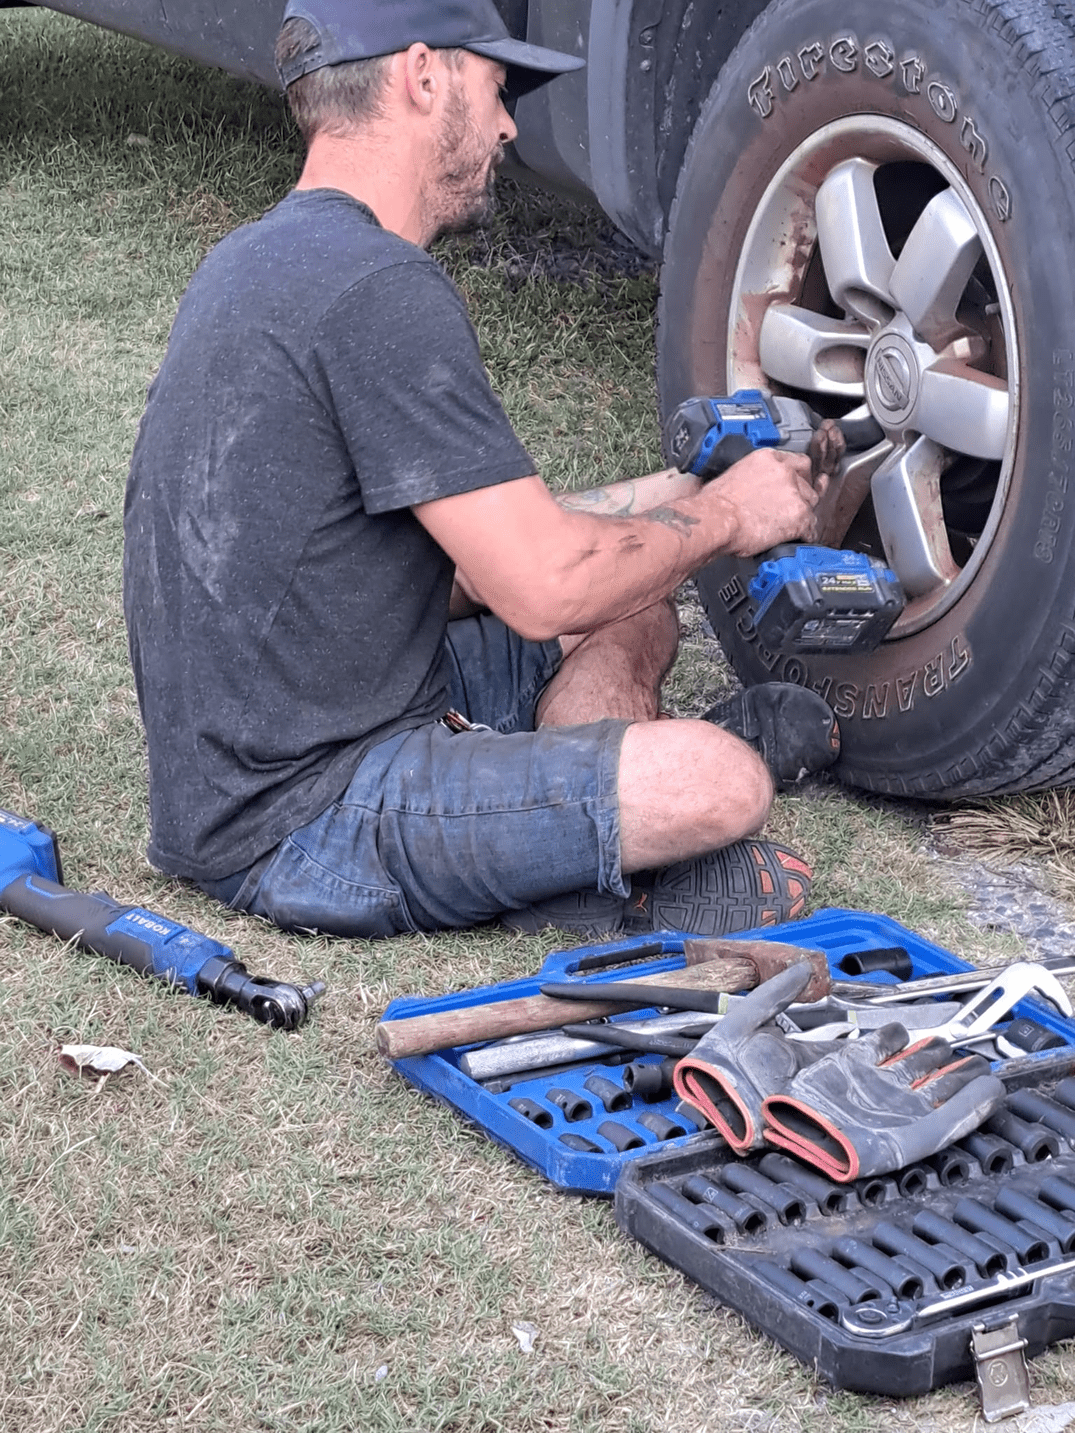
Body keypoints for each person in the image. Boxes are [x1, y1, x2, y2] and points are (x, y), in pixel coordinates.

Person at [122, 0, 841, 943]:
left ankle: (571, 818)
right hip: (302, 817)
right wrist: (729, 521)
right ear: (422, 76)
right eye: (496, 86)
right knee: (721, 780)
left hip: (262, 752)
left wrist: (684, 495)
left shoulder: (257, 260)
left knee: (633, 603)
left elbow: (463, 560)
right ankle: (597, 853)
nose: (507, 123)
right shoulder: (383, 289)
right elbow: (541, 589)